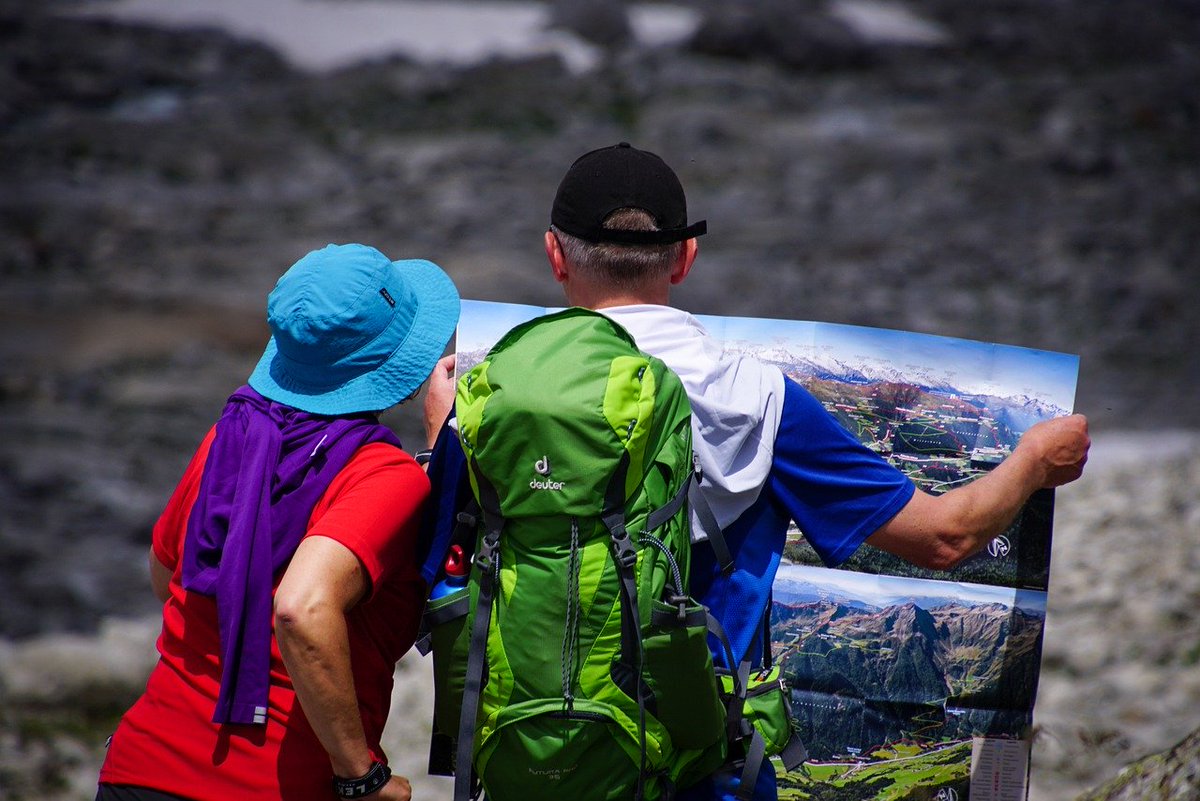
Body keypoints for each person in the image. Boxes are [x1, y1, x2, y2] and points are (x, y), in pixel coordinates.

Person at [423, 143, 1090, 801]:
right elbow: (944, 537)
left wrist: (440, 435)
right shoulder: (761, 398)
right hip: (699, 773)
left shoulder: (490, 401)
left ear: (554, 254)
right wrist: (1033, 460)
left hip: (532, 765)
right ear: (685, 257)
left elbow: (434, 569)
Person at [97, 243, 460, 801]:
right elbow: (300, 609)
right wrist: (359, 776)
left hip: (138, 769)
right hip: (272, 786)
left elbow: (167, 574)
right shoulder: (383, 475)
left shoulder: (230, 437)